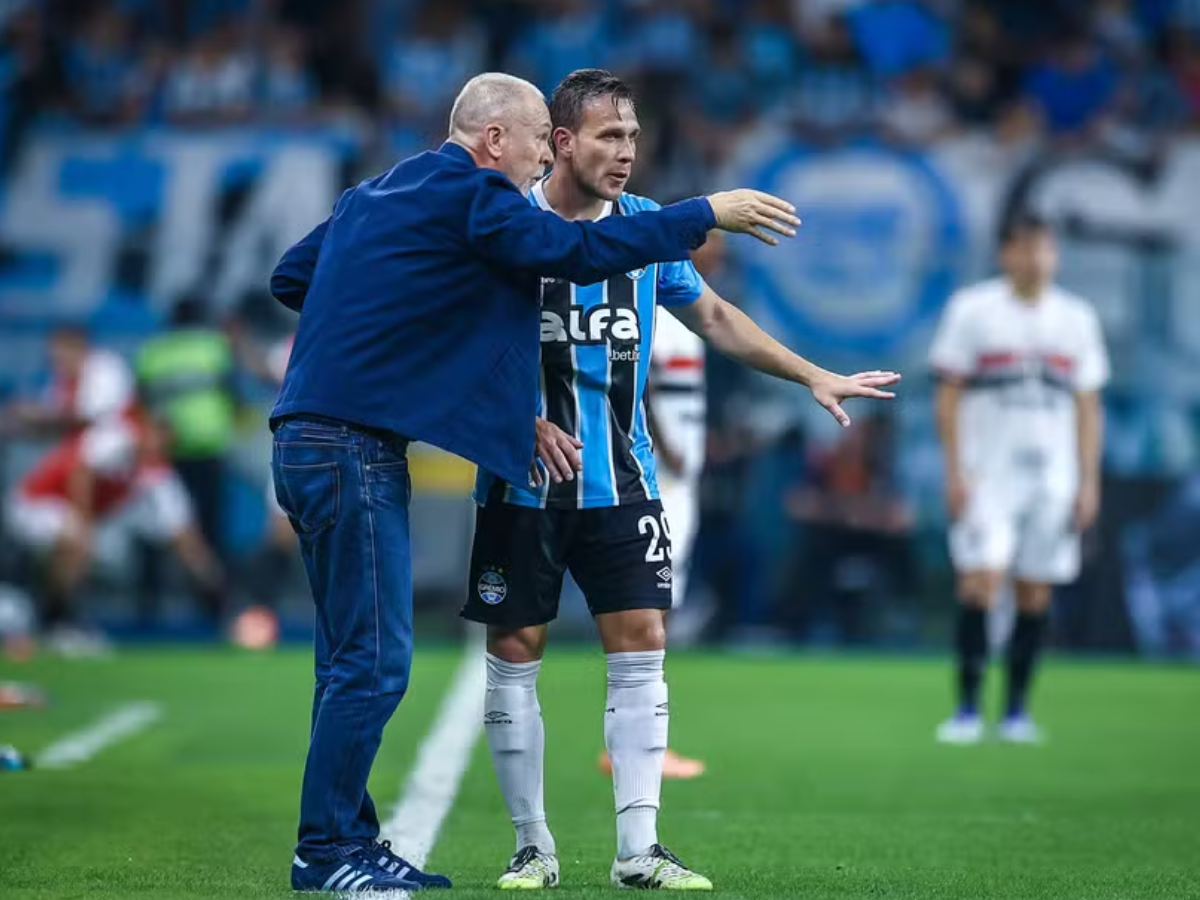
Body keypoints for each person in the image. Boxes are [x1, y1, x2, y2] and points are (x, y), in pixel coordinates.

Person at [269, 71, 799, 894]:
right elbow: (572, 251)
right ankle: (328, 852)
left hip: (313, 438)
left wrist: (400, 339)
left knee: (355, 656)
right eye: (533, 142)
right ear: (494, 140)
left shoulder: (378, 193)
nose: (535, 164)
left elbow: (294, 278)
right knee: (371, 663)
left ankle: (344, 840)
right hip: (349, 449)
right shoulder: (478, 197)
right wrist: (701, 215)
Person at [460, 69, 899, 892]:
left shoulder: (644, 232)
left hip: (625, 484)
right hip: (521, 486)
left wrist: (812, 375)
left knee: (643, 648)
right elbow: (454, 342)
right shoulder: (506, 225)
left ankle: (638, 851)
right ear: (561, 142)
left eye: (632, 137)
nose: (626, 154)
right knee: (515, 652)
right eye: (607, 138)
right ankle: (532, 847)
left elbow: (717, 319)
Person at [929, 213, 1109, 745]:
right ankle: (965, 709)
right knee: (979, 582)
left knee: (1034, 591)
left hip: (1053, 476)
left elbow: (1088, 406)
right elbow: (948, 396)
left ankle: (1015, 712)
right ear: (1005, 253)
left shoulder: (1076, 318)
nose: (1037, 259)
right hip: (987, 472)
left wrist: (1088, 481)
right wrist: (954, 470)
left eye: (1045, 249)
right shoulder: (973, 310)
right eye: (1026, 249)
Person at [4, 409, 224, 651]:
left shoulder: (156, 475)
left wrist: (213, 582)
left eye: (164, 443)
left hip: (69, 516)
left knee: (85, 546)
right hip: (35, 502)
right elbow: (81, 472)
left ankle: (52, 620)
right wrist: (84, 526)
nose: (155, 445)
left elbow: (183, 534)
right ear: (144, 430)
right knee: (77, 543)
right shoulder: (116, 438)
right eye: (153, 435)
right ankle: (58, 623)